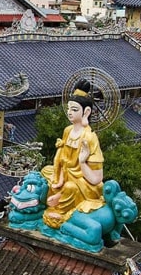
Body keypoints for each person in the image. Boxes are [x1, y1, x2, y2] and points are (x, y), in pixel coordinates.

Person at [40, 79, 105, 229]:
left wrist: (82, 162)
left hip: (82, 181)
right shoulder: (68, 131)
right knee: (45, 171)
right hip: (64, 173)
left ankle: (60, 209)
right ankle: (56, 198)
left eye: (75, 109)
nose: (69, 112)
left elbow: (96, 178)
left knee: (70, 187)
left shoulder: (90, 137)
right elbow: (61, 158)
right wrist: (59, 175)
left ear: (86, 112)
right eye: (69, 108)